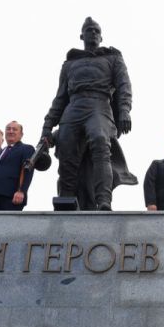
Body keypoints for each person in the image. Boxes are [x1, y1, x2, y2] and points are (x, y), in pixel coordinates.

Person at [41, 16, 137, 211]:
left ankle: (103, 201)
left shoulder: (113, 58)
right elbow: (60, 97)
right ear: (81, 35)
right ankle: (66, 200)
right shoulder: (69, 64)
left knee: (101, 142)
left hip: (99, 105)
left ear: (101, 37)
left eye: (96, 31)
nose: (93, 33)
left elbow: (124, 86)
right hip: (74, 107)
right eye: (89, 30)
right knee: (67, 151)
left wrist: (124, 111)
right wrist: (47, 127)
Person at [0, 121, 35, 211]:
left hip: (12, 197)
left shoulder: (26, 149)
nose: (11, 131)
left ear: (21, 134)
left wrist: (21, 191)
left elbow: (27, 171)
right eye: (8, 129)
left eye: (14, 129)